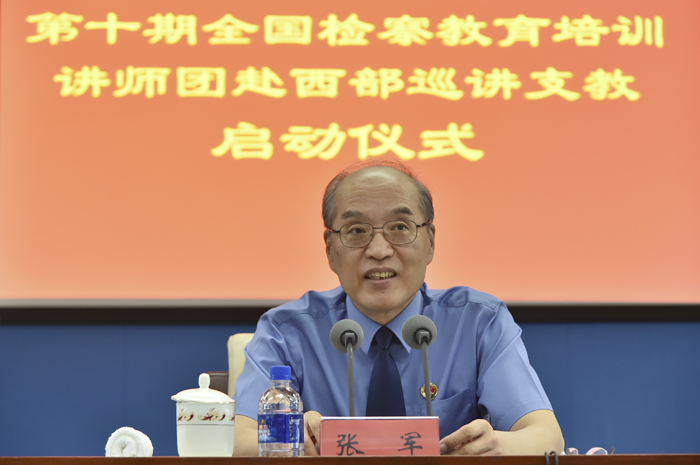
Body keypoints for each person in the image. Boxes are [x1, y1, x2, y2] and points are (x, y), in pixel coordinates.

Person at [233, 160, 564, 456]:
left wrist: (498, 446)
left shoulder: (479, 322)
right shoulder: (287, 332)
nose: (379, 250)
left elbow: (545, 435)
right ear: (330, 250)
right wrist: (291, 441)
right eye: (356, 231)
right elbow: (235, 440)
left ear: (430, 241)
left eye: (400, 228)